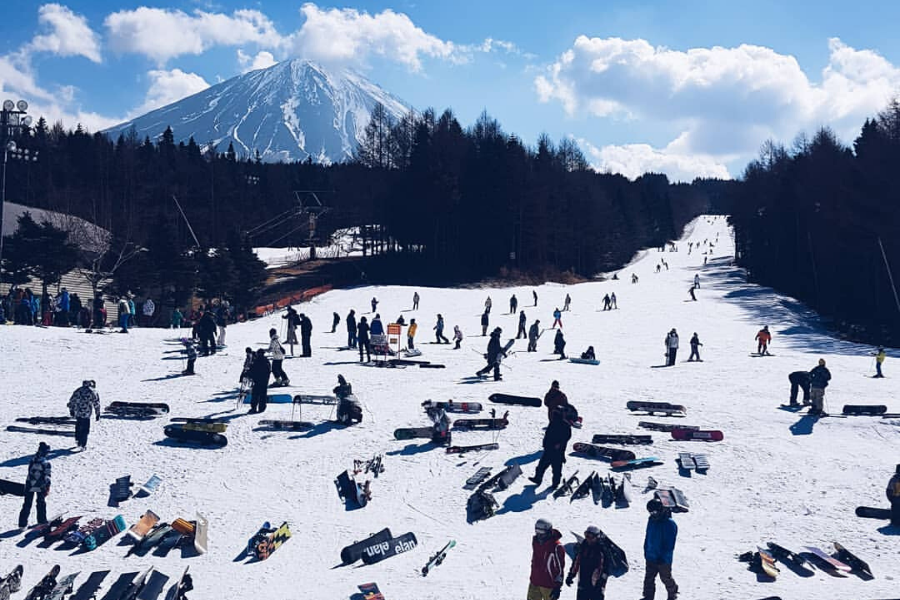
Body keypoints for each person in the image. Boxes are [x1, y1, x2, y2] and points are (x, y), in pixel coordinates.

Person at [529, 404, 576, 490]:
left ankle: (555, 484)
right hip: (549, 447)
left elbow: (567, 435)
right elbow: (548, 434)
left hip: (557, 450)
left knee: (556, 469)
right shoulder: (554, 422)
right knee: (541, 466)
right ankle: (538, 479)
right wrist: (545, 443)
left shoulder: (564, 424)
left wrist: (559, 443)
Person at [642, 499, 679, 600]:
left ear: (660, 510)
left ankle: (673, 593)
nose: (652, 514)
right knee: (648, 579)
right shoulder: (651, 520)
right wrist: (646, 549)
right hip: (651, 556)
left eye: (654, 512)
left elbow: (669, 544)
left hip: (663, 559)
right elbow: (648, 535)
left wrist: (662, 557)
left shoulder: (669, 524)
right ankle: (648, 597)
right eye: (650, 512)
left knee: (665, 578)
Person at [566, 525, 609, 600]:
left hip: (596, 587)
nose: (588, 538)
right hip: (583, 583)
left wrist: (600, 585)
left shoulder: (601, 550)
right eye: (586, 535)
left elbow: (603, 569)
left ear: (596, 537)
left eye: (590, 536)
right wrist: (571, 575)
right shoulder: (583, 547)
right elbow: (576, 562)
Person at [528, 518, 565, 600]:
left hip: (549, 585)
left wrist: (558, 587)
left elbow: (560, 569)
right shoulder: (536, 542)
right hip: (534, 581)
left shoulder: (557, 547)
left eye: (542, 533)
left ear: (549, 531)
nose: (539, 535)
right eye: (537, 532)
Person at [67, 380, 100, 451]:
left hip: (78, 412)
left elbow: (72, 401)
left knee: (78, 426)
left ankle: (78, 440)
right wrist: (97, 413)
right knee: (85, 429)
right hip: (86, 413)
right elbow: (96, 403)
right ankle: (83, 444)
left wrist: (71, 410)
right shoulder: (92, 391)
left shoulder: (78, 390)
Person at [248, 349, 271, 413]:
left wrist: (250, 376)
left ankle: (254, 408)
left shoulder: (256, 361)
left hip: (257, 381)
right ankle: (261, 408)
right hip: (264, 381)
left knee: (255, 395)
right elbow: (268, 371)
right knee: (263, 395)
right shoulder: (266, 361)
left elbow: (252, 370)